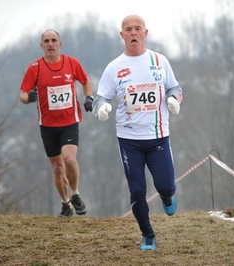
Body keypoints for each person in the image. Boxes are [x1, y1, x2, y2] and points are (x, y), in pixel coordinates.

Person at [92, 15, 182, 250]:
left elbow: (175, 86)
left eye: (137, 29)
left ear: (145, 33)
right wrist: (101, 107)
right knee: (137, 190)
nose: (133, 33)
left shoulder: (159, 60)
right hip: (129, 139)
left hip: (158, 136)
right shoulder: (114, 67)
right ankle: (148, 235)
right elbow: (100, 96)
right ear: (122, 35)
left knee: (165, 185)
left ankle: (167, 196)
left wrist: (174, 99)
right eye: (128, 29)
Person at [19, 29, 93, 217]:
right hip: (47, 125)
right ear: (41, 45)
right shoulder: (34, 68)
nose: (50, 44)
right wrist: (29, 97)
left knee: (69, 160)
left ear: (60, 44)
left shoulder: (71, 63)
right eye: (46, 41)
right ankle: (66, 203)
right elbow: (22, 95)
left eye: (54, 40)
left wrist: (88, 98)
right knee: (58, 168)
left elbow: (86, 81)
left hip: (69, 122)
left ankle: (75, 194)